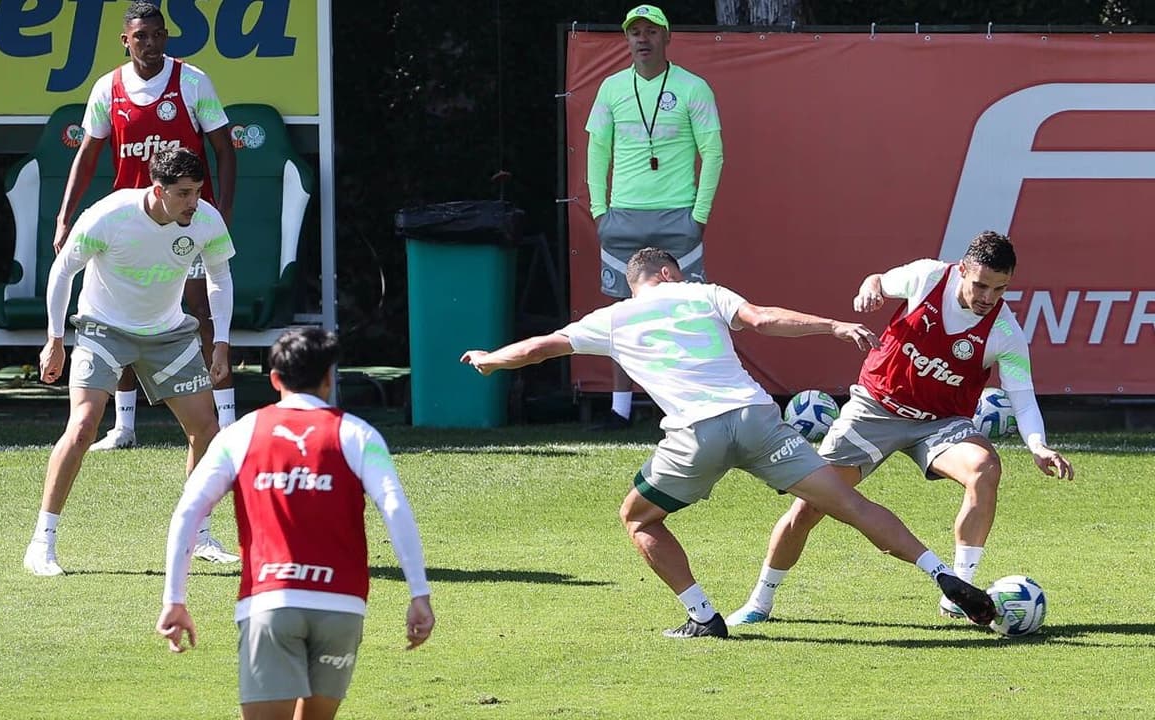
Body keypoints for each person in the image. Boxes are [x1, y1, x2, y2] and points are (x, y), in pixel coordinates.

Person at [460, 247, 995, 638]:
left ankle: (702, 616)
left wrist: (489, 358)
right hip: (758, 418)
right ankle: (942, 574)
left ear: (640, 282)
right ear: (671, 273)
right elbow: (764, 320)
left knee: (639, 518)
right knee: (850, 504)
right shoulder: (704, 294)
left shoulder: (612, 318)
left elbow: (538, 349)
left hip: (696, 433)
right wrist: (833, 326)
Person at [726, 231, 1075, 626]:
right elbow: (876, 281)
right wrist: (868, 290)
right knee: (808, 507)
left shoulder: (1005, 333)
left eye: (1000, 288)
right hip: (875, 409)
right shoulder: (926, 278)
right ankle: (760, 601)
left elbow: (1022, 396)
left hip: (940, 425)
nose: (988, 297)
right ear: (961, 270)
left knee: (985, 467)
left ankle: (960, 590)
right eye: (980, 285)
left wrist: (1037, 446)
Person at [157, 327, 434, 720]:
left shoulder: (241, 434)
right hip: (342, 606)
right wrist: (418, 593)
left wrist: (175, 600)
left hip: (270, 601)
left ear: (274, 379)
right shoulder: (358, 434)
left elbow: (188, 510)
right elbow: (395, 507)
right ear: (328, 378)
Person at [23, 147, 237, 576]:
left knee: (207, 429)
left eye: (197, 192)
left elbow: (220, 277)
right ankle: (41, 544)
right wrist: (55, 340)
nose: (193, 202)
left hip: (169, 334)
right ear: (158, 190)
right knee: (83, 425)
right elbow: (62, 271)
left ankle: (198, 535)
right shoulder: (109, 215)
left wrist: (222, 344)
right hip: (102, 329)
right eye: (183, 194)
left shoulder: (206, 220)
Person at [55, 0, 238, 453]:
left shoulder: (192, 82)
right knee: (122, 317)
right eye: (141, 37)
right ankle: (124, 426)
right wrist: (64, 216)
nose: (151, 44)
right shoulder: (107, 88)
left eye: (158, 35)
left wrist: (223, 212)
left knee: (202, 310)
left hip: (184, 220)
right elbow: (89, 154)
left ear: (166, 36)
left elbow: (225, 150)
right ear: (126, 40)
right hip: (130, 225)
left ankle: (228, 423)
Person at [585, 4, 723, 429]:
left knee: (686, 315)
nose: (642, 39)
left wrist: (698, 216)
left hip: (677, 218)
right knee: (622, 317)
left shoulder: (693, 87)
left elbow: (713, 153)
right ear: (627, 39)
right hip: (622, 218)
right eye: (634, 32)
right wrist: (599, 212)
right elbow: (597, 152)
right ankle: (619, 409)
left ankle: (685, 408)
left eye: (651, 32)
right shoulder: (610, 89)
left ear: (667, 37)